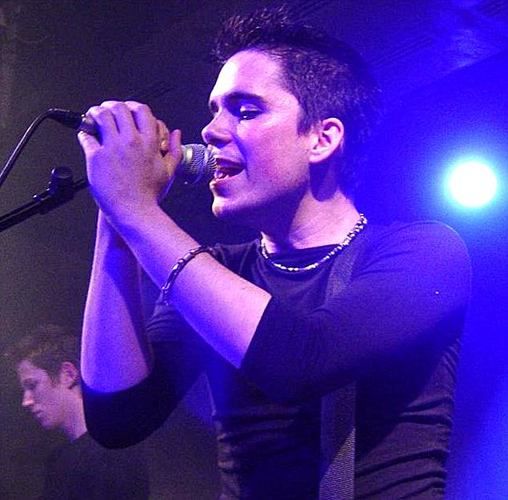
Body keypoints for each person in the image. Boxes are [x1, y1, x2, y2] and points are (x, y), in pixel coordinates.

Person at [77, 6, 471, 499]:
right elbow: (118, 418)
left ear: (322, 139)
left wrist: (136, 211)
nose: (212, 131)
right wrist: (114, 218)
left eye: (245, 111)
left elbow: (303, 360)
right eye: (214, 111)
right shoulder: (220, 270)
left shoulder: (423, 252)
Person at [5, 324, 150, 499]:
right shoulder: (59, 461)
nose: (26, 401)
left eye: (32, 385)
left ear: (68, 374)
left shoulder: (113, 451)